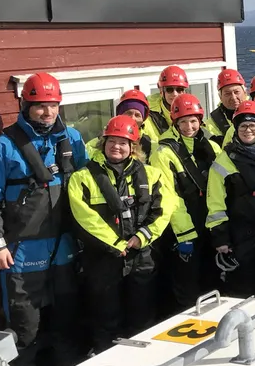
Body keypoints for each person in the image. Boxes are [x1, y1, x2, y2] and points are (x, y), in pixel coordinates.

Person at [0, 72, 87, 366]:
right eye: (40, 106)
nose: (47, 112)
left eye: (53, 105)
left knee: (67, 314)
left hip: (65, 243)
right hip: (23, 249)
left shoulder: (72, 139)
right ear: (26, 104)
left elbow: (88, 183)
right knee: (25, 323)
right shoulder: (4, 146)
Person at [68, 115, 175, 353]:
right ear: (102, 143)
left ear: (133, 147)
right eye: (112, 141)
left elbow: (164, 208)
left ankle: (144, 361)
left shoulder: (151, 174)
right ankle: (106, 360)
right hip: (104, 259)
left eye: (123, 142)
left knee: (143, 315)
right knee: (106, 318)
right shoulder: (82, 178)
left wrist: (143, 236)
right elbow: (85, 218)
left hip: (141, 256)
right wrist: (116, 243)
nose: (117, 146)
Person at [149, 94, 222, 311]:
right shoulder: (164, 153)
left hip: (209, 223)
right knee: (187, 289)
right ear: (175, 122)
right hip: (184, 227)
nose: (189, 126)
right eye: (183, 122)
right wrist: (185, 235)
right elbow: (170, 197)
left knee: (212, 281)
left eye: (193, 121)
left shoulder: (212, 148)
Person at [206, 100, 255, 298]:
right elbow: (216, 205)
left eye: (252, 125)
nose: (247, 129)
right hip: (242, 238)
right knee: (244, 291)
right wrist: (221, 239)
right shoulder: (223, 162)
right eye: (242, 125)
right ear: (235, 128)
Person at [87, 89, 161, 161]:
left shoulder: (151, 145)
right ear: (119, 114)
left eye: (137, 115)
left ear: (143, 120)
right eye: (128, 113)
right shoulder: (94, 145)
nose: (133, 118)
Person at [205, 69, 247, 147]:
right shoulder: (211, 125)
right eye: (227, 94)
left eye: (236, 92)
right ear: (220, 97)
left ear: (245, 92)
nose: (233, 97)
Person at [147, 65, 189, 134]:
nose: (175, 94)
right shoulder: (147, 112)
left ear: (184, 91)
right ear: (161, 90)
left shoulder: (192, 110)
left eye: (179, 89)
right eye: (169, 89)